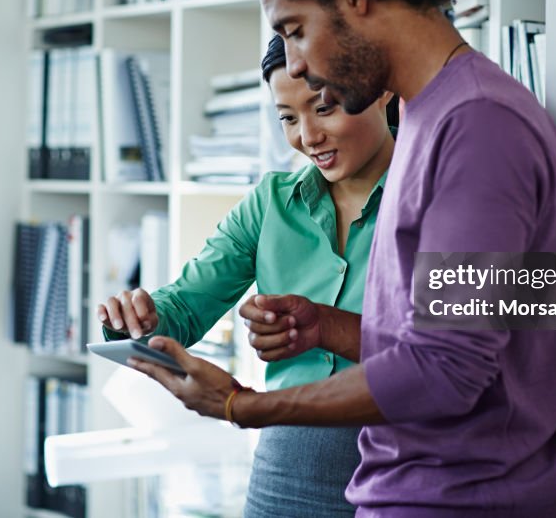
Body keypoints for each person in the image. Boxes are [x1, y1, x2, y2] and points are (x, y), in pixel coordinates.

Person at [125, 0, 556, 517]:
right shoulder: (431, 115)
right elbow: (453, 335)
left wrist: (242, 404)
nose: (297, 63)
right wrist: (327, 326)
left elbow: (448, 370)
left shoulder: (479, 125)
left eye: (295, 29)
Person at [97, 34, 395, 517]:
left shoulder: (431, 193)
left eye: (324, 108)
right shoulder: (270, 202)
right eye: (288, 118)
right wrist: (140, 320)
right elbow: (186, 304)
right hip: (287, 461)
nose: (307, 137)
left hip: (401, 453)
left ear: (382, 90)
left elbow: (449, 347)